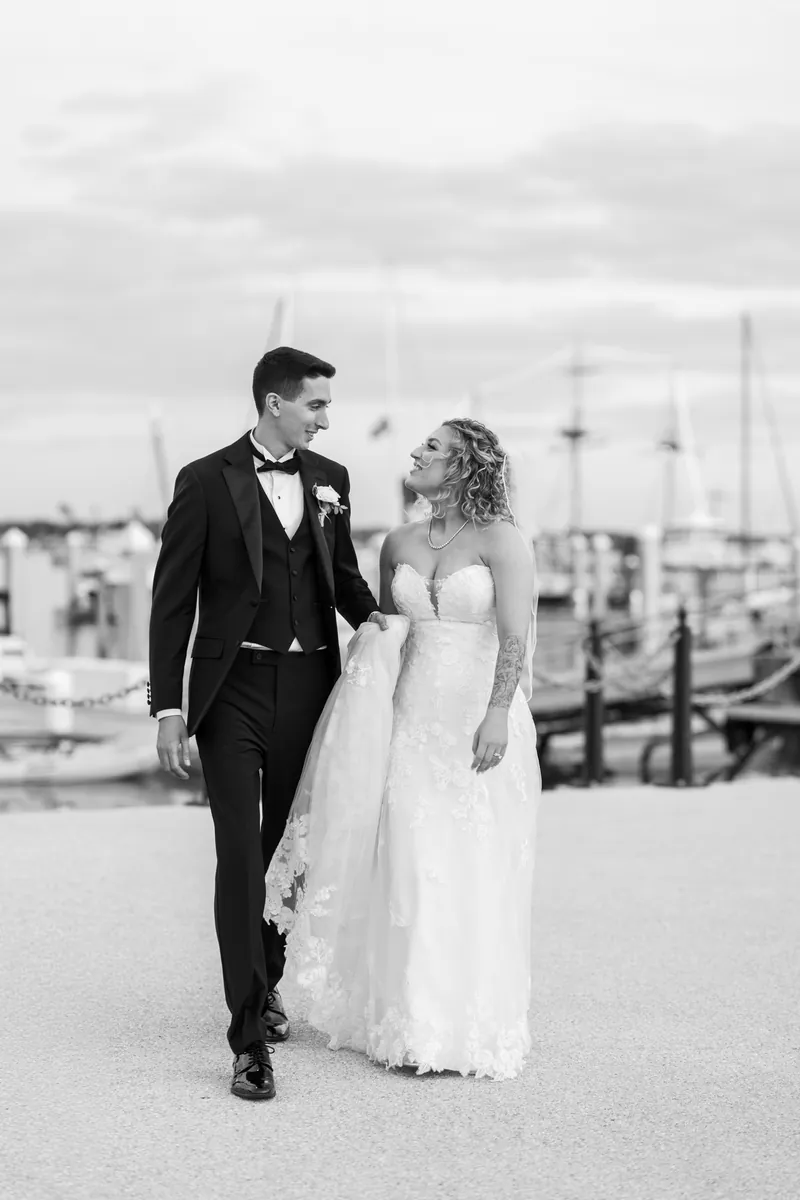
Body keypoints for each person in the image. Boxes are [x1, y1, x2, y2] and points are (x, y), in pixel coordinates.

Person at [266, 417, 541, 1080]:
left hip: (478, 716)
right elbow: (384, 621)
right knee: (410, 858)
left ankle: (465, 1023)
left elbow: (513, 639)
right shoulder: (398, 541)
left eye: (432, 448)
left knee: (472, 859)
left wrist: (498, 713)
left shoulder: (504, 540)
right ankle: (406, 1016)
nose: (416, 453)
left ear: (466, 465)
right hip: (410, 712)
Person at [147, 346, 383, 1101]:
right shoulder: (203, 480)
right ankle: (248, 1037)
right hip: (233, 690)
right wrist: (170, 705)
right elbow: (172, 600)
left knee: (293, 854)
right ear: (275, 402)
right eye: (316, 404)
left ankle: (269, 980)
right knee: (241, 857)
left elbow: (341, 579)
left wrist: (396, 632)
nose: (325, 418)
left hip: (314, 684)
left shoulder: (330, 482)